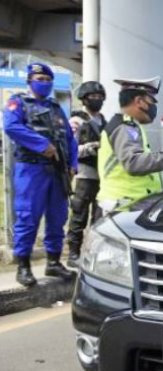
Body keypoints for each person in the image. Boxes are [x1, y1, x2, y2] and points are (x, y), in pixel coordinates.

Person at [3, 62, 78, 287]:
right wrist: (42, 144)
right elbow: (11, 127)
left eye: (47, 80)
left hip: (57, 172)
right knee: (27, 217)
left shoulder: (56, 108)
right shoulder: (18, 103)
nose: (43, 83)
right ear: (29, 81)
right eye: (39, 79)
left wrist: (73, 164)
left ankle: (53, 262)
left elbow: (69, 139)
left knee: (58, 217)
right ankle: (23, 265)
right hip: (31, 170)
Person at [96, 76, 163, 212]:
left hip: (127, 205)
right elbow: (134, 163)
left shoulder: (130, 126)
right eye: (152, 101)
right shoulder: (125, 127)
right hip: (122, 207)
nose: (154, 107)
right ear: (139, 101)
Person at [66, 81, 106, 267]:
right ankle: (73, 254)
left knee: (99, 219)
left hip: (102, 176)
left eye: (99, 97)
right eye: (93, 97)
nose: (96, 100)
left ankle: (93, 254)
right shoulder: (76, 121)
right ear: (84, 99)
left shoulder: (103, 122)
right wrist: (89, 148)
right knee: (79, 215)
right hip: (84, 175)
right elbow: (70, 148)